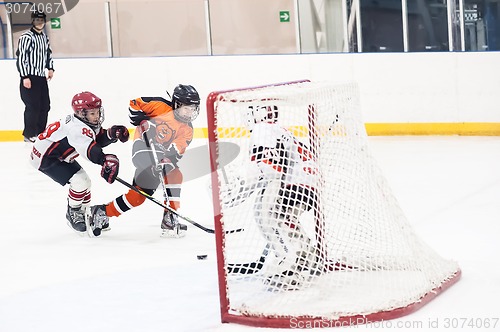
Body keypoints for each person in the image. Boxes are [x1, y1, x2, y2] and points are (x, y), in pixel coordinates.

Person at [221, 105, 320, 288]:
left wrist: (238, 189)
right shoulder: (279, 130)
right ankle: (306, 254)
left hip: (295, 181)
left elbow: (269, 167)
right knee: (284, 217)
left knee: (265, 214)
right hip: (309, 181)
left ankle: (287, 262)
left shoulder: (262, 129)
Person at [102, 84, 200, 238]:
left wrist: (165, 162)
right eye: (187, 108)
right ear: (176, 104)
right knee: (151, 175)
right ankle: (170, 218)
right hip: (142, 147)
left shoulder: (187, 130)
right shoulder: (159, 105)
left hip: (159, 155)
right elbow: (134, 103)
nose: (190, 113)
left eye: (193, 109)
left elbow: (175, 151)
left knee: (140, 196)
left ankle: (102, 212)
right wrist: (141, 119)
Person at [29, 91, 129, 237]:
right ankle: (73, 212)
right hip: (46, 158)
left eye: (97, 112)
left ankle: (86, 213)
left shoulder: (83, 122)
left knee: (85, 182)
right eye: (92, 113)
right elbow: (89, 150)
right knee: (80, 182)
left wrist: (111, 134)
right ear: (81, 113)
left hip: (56, 155)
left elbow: (96, 139)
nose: (97, 116)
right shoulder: (76, 129)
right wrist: (103, 159)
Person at [16, 10, 55, 143]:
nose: (40, 23)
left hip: (41, 77)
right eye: (37, 20)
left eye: (42, 20)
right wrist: (24, 76)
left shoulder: (44, 37)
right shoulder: (26, 37)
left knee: (45, 106)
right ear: (33, 21)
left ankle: (40, 133)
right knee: (32, 106)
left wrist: (50, 68)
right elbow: (21, 58)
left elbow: (48, 54)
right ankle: (29, 134)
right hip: (29, 77)